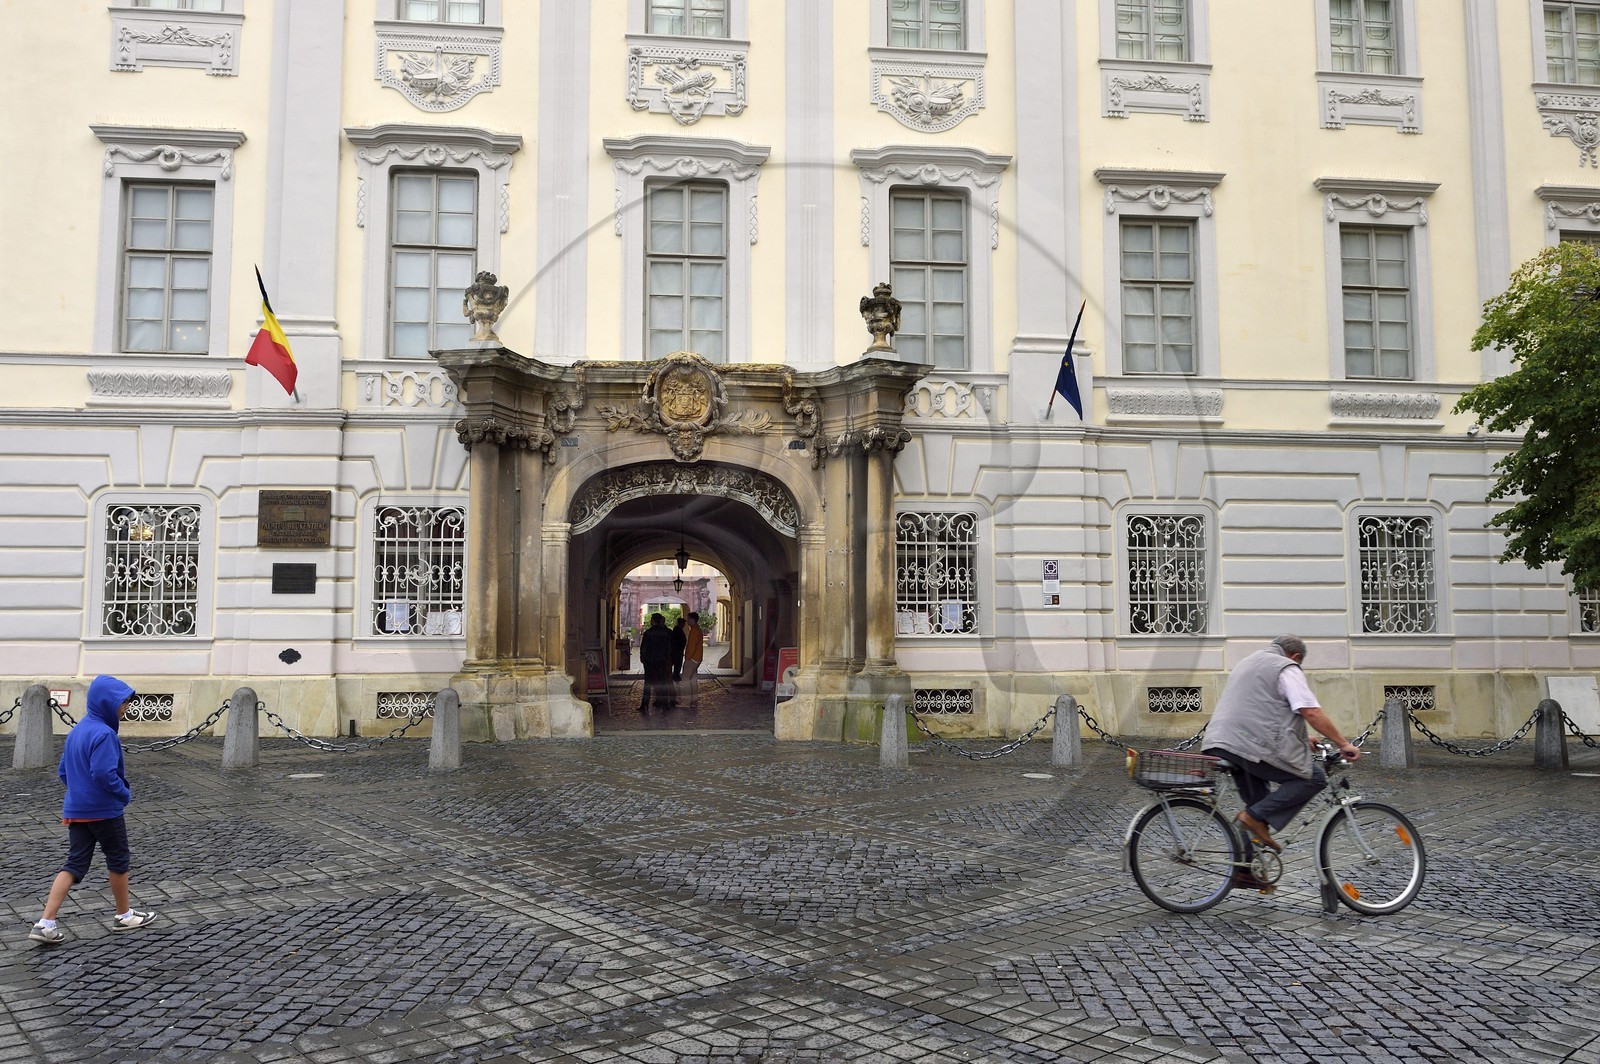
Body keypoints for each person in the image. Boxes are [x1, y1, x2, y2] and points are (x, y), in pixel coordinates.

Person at [1202, 635, 1361, 892]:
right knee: (1313, 779)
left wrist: (1302, 736)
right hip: (1248, 744)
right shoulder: (1285, 667)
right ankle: (1253, 820)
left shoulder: (1250, 662)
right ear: (1296, 656)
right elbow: (1310, 711)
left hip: (1222, 740)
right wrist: (1344, 744)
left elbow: (1261, 708)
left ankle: (1244, 872)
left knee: (1258, 806)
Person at [29, 675, 158, 944]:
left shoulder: (78, 730)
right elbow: (103, 773)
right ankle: (124, 915)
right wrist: (123, 794)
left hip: (76, 810)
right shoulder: (105, 734)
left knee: (74, 864)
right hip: (105, 811)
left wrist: (79, 792)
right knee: (118, 861)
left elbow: (63, 771)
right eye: (122, 703)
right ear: (107, 704)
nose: (125, 708)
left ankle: (45, 922)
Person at [638, 613, 674, 714]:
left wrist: (643, 659)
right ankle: (665, 704)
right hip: (661, 661)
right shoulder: (665, 633)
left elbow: (644, 648)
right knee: (662, 682)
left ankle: (644, 704)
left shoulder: (648, 633)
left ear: (653, 620)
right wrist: (666, 658)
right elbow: (668, 648)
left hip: (649, 662)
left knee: (648, 684)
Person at [681, 611, 704, 710]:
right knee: (693, 680)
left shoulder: (694, 630)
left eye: (688, 619)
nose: (687, 621)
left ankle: (686, 702)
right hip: (697, 658)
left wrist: (687, 658)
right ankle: (694, 701)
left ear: (692, 619)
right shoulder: (697, 629)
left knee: (685, 678)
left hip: (692, 658)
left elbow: (691, 646)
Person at [669, 616, 687, 707]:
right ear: (680, 623)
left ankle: (676, 674)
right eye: (683, 623)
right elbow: (677, 641)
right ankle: (676, 675)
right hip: (677, 651)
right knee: (677, 663)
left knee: (678, 664)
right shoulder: (677, 630)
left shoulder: (677, 629)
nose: (684, 625)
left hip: (678, 651)